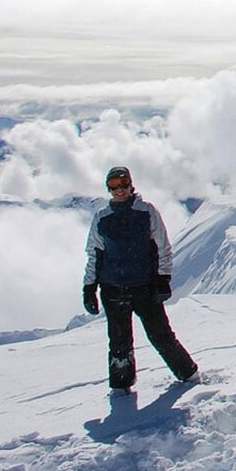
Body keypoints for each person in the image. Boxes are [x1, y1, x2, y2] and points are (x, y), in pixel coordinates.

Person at [82, 166, 198, 394]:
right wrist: (89, 287)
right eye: (114, 185)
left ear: (131, 184)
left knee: (161, 335)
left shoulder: (146, 211)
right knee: (118, 341)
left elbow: (163, 246)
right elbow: (94, 253)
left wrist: (163, 279)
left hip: (144, 286)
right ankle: (121, 387)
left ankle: (189, 374)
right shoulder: (102, 217)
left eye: (123, 183)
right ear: (108, 188)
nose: (119, 189)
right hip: (112, 288)